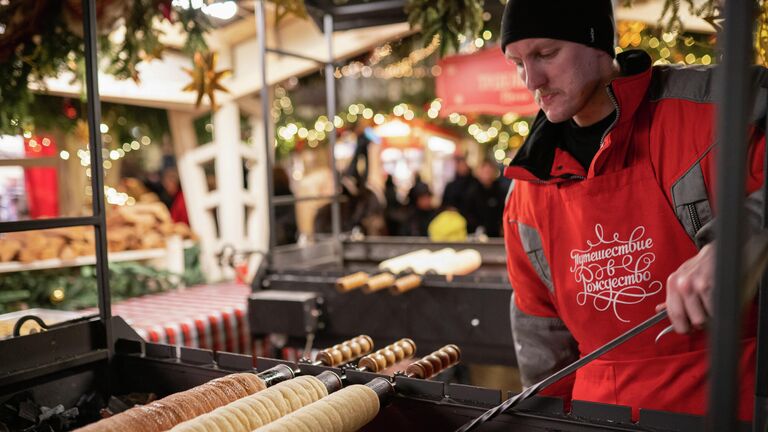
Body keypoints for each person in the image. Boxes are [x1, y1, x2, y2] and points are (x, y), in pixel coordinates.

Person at [500, 0, 765, 422]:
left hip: (732, 404)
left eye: (546, 54)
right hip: (600, 417)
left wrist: (739, 238)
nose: (532, 80)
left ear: (599, 44)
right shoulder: (527, 192)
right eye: (517, 63)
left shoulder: (717, 110)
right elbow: (542, 345)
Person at [442, 155, 481, 232]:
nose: (462, 167)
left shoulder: (475, 184)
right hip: (454, 224)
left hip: (472, 223)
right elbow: (445, 204)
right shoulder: (451, 185)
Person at [473, 160, 508, 237]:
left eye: (489, 171)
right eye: (485, 171)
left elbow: (504, 210)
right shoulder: (472, 191)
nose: (487, 174)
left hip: (496, 233)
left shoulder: (500, 191)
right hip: (476, 233)